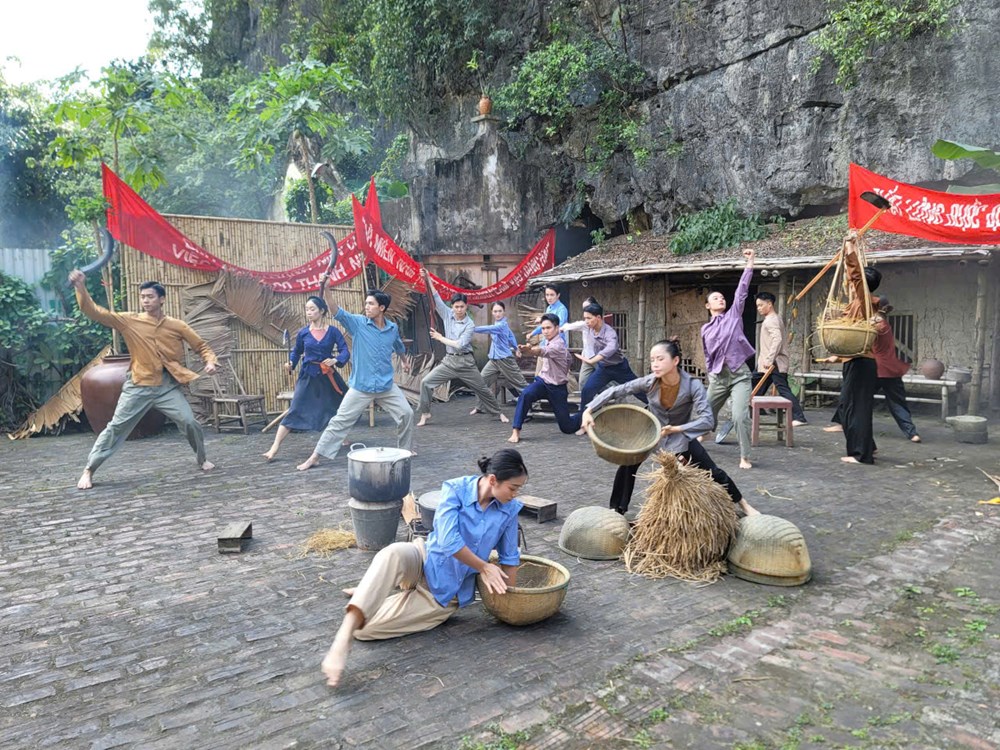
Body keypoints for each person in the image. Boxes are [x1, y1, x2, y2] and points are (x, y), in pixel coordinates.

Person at [320, 449, 527, 688]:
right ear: (493, 480)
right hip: (422, 558)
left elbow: (510, 557)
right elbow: (449, 542)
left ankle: (374, 592)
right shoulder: (455, 489)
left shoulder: (510, 510)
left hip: (441, 593)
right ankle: (341, 642)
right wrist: (483, 567)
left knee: (365, 631)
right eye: (513, 488)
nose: (515, 494)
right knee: (392, 553)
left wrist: (512, 600)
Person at [68, 271, 217, 490]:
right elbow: (94, 311)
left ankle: (202, 458)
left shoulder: (176, 325)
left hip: (166, 387)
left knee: (189, 421)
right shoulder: (130, 321)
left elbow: (201, 346)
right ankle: (89, 470)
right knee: (116, 427)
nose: (145, 301)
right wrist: (80, 287)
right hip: (138, 386)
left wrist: (210, 361)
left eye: (150, 296)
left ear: (162, 299)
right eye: (143, 297)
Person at [580, 339, 759, 516]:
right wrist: (589, 409)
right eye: (652, 360)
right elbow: (619, 390)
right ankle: (616, 509)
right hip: (649, 431)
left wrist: (677, 429)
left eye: (660, 359)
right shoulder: (650, 381)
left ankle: (742, 504)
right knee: (627, 465)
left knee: (711, 470)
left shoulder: (692, 385)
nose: (655, 364)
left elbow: (707, 420)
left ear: (675, 361)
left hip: (679, 436)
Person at [296, 284, 414, 471]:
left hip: (386, 386)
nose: (366, 307)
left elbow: (398, 345)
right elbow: (336, 311)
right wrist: (326, 288)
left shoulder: (391, 328)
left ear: (381, 308)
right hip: (361, 387)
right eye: (366, 303)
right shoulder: (358, 323)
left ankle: (404, 452)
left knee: (407, 414)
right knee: (339, 422)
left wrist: (404, 360)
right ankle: (315, 457)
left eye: (371, 304)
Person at [824, 293, 920, 444]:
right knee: (897, 402)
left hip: (876, 369)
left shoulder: (872, 324)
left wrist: (838, 355)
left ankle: (845, 425)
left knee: (851, 395)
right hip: (892, 369)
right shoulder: (884, 323)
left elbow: (859, 344)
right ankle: (912, 433)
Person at [263, 296, 350, 461]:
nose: (308, 312)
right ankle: (274, 448)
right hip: (308, 375)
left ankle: (341, 436)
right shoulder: (303, 333)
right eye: (307, 309)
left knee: (337, 405)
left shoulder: (333, 331)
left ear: (322, 311)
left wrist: (336, 360)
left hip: (327, 376)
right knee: (295, 408)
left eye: (312, 309)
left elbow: (344, 350)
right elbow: (296, 352)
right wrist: (291, 363)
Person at [416, 271, 508, 426]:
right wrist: (428, 279)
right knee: (426, 382)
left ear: (466, 307)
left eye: (461, 306)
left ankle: (498, 413)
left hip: (466, 362)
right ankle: (425, 413)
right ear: (452, 306)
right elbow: (436, 297)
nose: (458, 309)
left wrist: (440, 338)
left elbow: (459, 344)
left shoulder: (469, 324)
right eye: (456, 306)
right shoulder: (447, 314)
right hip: (449, 361)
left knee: (482, 389)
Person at [824, 239, 882, 464]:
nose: (849, 284)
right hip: (855, 360)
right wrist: (838, 356)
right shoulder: (857, 304)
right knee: (849, 407)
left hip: (861, 363)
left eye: (852, 282)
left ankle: (861, 455)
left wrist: (850, 250)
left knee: (853, 408)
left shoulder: (864, 299)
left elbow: (856, 276)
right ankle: (868, 447)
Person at [702, 248, 756, 469]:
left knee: (739, 416)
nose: (721, 299)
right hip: (718, 377)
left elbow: (741, 292)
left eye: (722, 297)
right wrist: (710, 371)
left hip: (739, 375)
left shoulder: (733, 316)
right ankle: (705, 432)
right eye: (716, 298)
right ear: (708, 306)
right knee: (706, 411)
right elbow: (707, 353)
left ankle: (745, 456)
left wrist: (750, 264)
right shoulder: (705, 328)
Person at [571, 302, 648, 426]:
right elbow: (575, 325)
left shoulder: (609, 332)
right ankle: (583, 422)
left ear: (599, 318)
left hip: (620, 368)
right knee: (587, 390)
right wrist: (561, 328)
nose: (586, 321)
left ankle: (657, 408)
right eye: (585, 318)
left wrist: (592, 360)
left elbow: (611, 348)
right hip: (603, 369)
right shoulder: (589, 328)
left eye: (589, 318)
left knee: (637, 389)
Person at [508, 313, 577, 443]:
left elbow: (540, 351)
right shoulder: (547, 341)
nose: (545, 331)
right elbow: (538, 349)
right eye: (543, 328)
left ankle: (585, 416)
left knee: (567, 427)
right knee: (526, 394)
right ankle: (515, 430)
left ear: (557, 328)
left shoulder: (559, 345)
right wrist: (527, 349)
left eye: (548, 328)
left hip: (558, 388)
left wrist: (529, 350)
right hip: (543, 382)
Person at [752, 291, 807, 426]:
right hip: (766, 362)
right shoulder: (772, 319)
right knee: (754, 386)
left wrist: (770, 359)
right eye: (757, 306)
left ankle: (799, 417)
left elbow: (777, 340)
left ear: (769, 304)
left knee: (783, 389)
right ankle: (750, 412)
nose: (758, 308)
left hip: (773, 363)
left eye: (761, 305)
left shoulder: (772, 320)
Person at [471, 301, 528, 411]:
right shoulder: (499, 325)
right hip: (494, 360)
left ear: (504, 312)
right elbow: (511, 336)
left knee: (521, 384)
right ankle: (480, 407)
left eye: (500, 311)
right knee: (481, 381)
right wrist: (516, 348)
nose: (498, 314)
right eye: (495, 311)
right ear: (492, 312)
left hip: (505, 360)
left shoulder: (501, 325)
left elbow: (489, 329)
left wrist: (472, 328)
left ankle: (534, 404)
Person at [561, 296, 600, 389]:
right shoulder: (587, 322)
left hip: (599, 357)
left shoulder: (596, 321)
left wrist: (562, 328)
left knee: (608, 381)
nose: (586, 310)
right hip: (587, 357)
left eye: (588, 307)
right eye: (584, 309)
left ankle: (619, 396)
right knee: (583, 382)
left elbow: (578, 324)